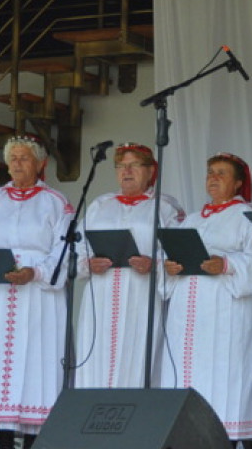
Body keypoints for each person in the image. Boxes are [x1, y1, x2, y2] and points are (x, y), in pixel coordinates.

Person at [0, 135, 73, 449]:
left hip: (37, 296)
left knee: (35, 370)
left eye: (25, 158)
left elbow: (65, 250)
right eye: (13, 158)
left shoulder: (56, 202)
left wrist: (37, 271)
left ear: (41, 164)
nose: (17, 163)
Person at [160, 153, 252, 449]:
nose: (213, 178)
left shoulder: (247, 215)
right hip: (188, 309)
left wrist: (225, 263)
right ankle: (187, 447)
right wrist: (169, 267)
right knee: (188, 375)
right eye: (210, 172)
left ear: (238, 182)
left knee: (225, 376)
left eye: (222, 173)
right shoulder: (193, 219)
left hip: (225, 308)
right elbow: (171, 257)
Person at [75, 143, 184, 388]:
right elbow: (79, 246)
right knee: (98, 352)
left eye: (134, 165)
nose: (127, 171)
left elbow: (177, 249)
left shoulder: (165, 206)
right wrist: (89, 263)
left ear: (150, 171)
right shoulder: (100, 205)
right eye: (121, 166)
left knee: (137, 351)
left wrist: (153, 263)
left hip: (141, 291)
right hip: (101, 294)